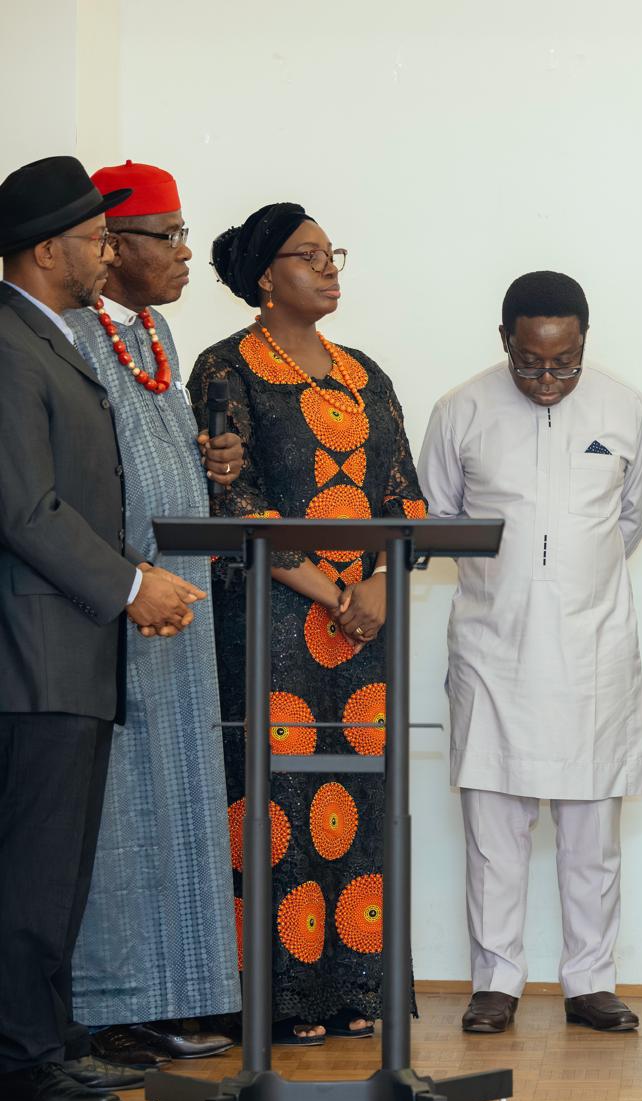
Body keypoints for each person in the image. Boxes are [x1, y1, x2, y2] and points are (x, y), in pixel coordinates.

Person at [189, 202, 427, 1046]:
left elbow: (406, 500)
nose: (329, 269)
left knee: (361, 798)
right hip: (272, 623)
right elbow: (235, 503)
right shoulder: (226, 368)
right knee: (277, 800)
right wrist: (335, 592)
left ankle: (356, 986)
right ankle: (281, 998)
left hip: (364, 632)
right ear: (265, 277)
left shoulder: (366, 375)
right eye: (308, 255)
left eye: (333, 254)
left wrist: (380, 586)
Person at [0, 155, 205, 1101]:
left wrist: (137, 579)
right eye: (91, 241)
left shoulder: (51, 338)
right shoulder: (9, 345)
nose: (104, 255)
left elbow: (79, 498)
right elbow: (25, 510)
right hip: (32, 656)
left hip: (71, 651)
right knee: (32, 868)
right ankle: (21, 1057)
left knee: (58, 871)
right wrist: (130, 586)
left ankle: (51, 1039)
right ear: (47, 251)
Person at [419, 271, 642, 1035]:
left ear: (584, 343)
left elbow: (629, 519)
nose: (547, 379)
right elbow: (438, 519)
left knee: (592, 835)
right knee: (494, 833)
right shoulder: (460, 410)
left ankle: (590, 982)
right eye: (530, 364)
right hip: (494, 648)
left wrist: (568, 583)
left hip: (592, 648)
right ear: (505, 342)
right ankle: (496, 983)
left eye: (564, 363)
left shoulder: (625, 408)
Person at [61, 161, 242, 1073]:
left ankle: (176, 994)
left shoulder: (157, 332)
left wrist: (208, 461)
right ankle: (112, 1008)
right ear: (111, 247)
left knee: (180, 801)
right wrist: (129, 581)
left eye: (182, 234)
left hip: (181, 601)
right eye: (165, 237)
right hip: (120, 602)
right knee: (124, 812)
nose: (183, 253)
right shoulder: (70, 334)